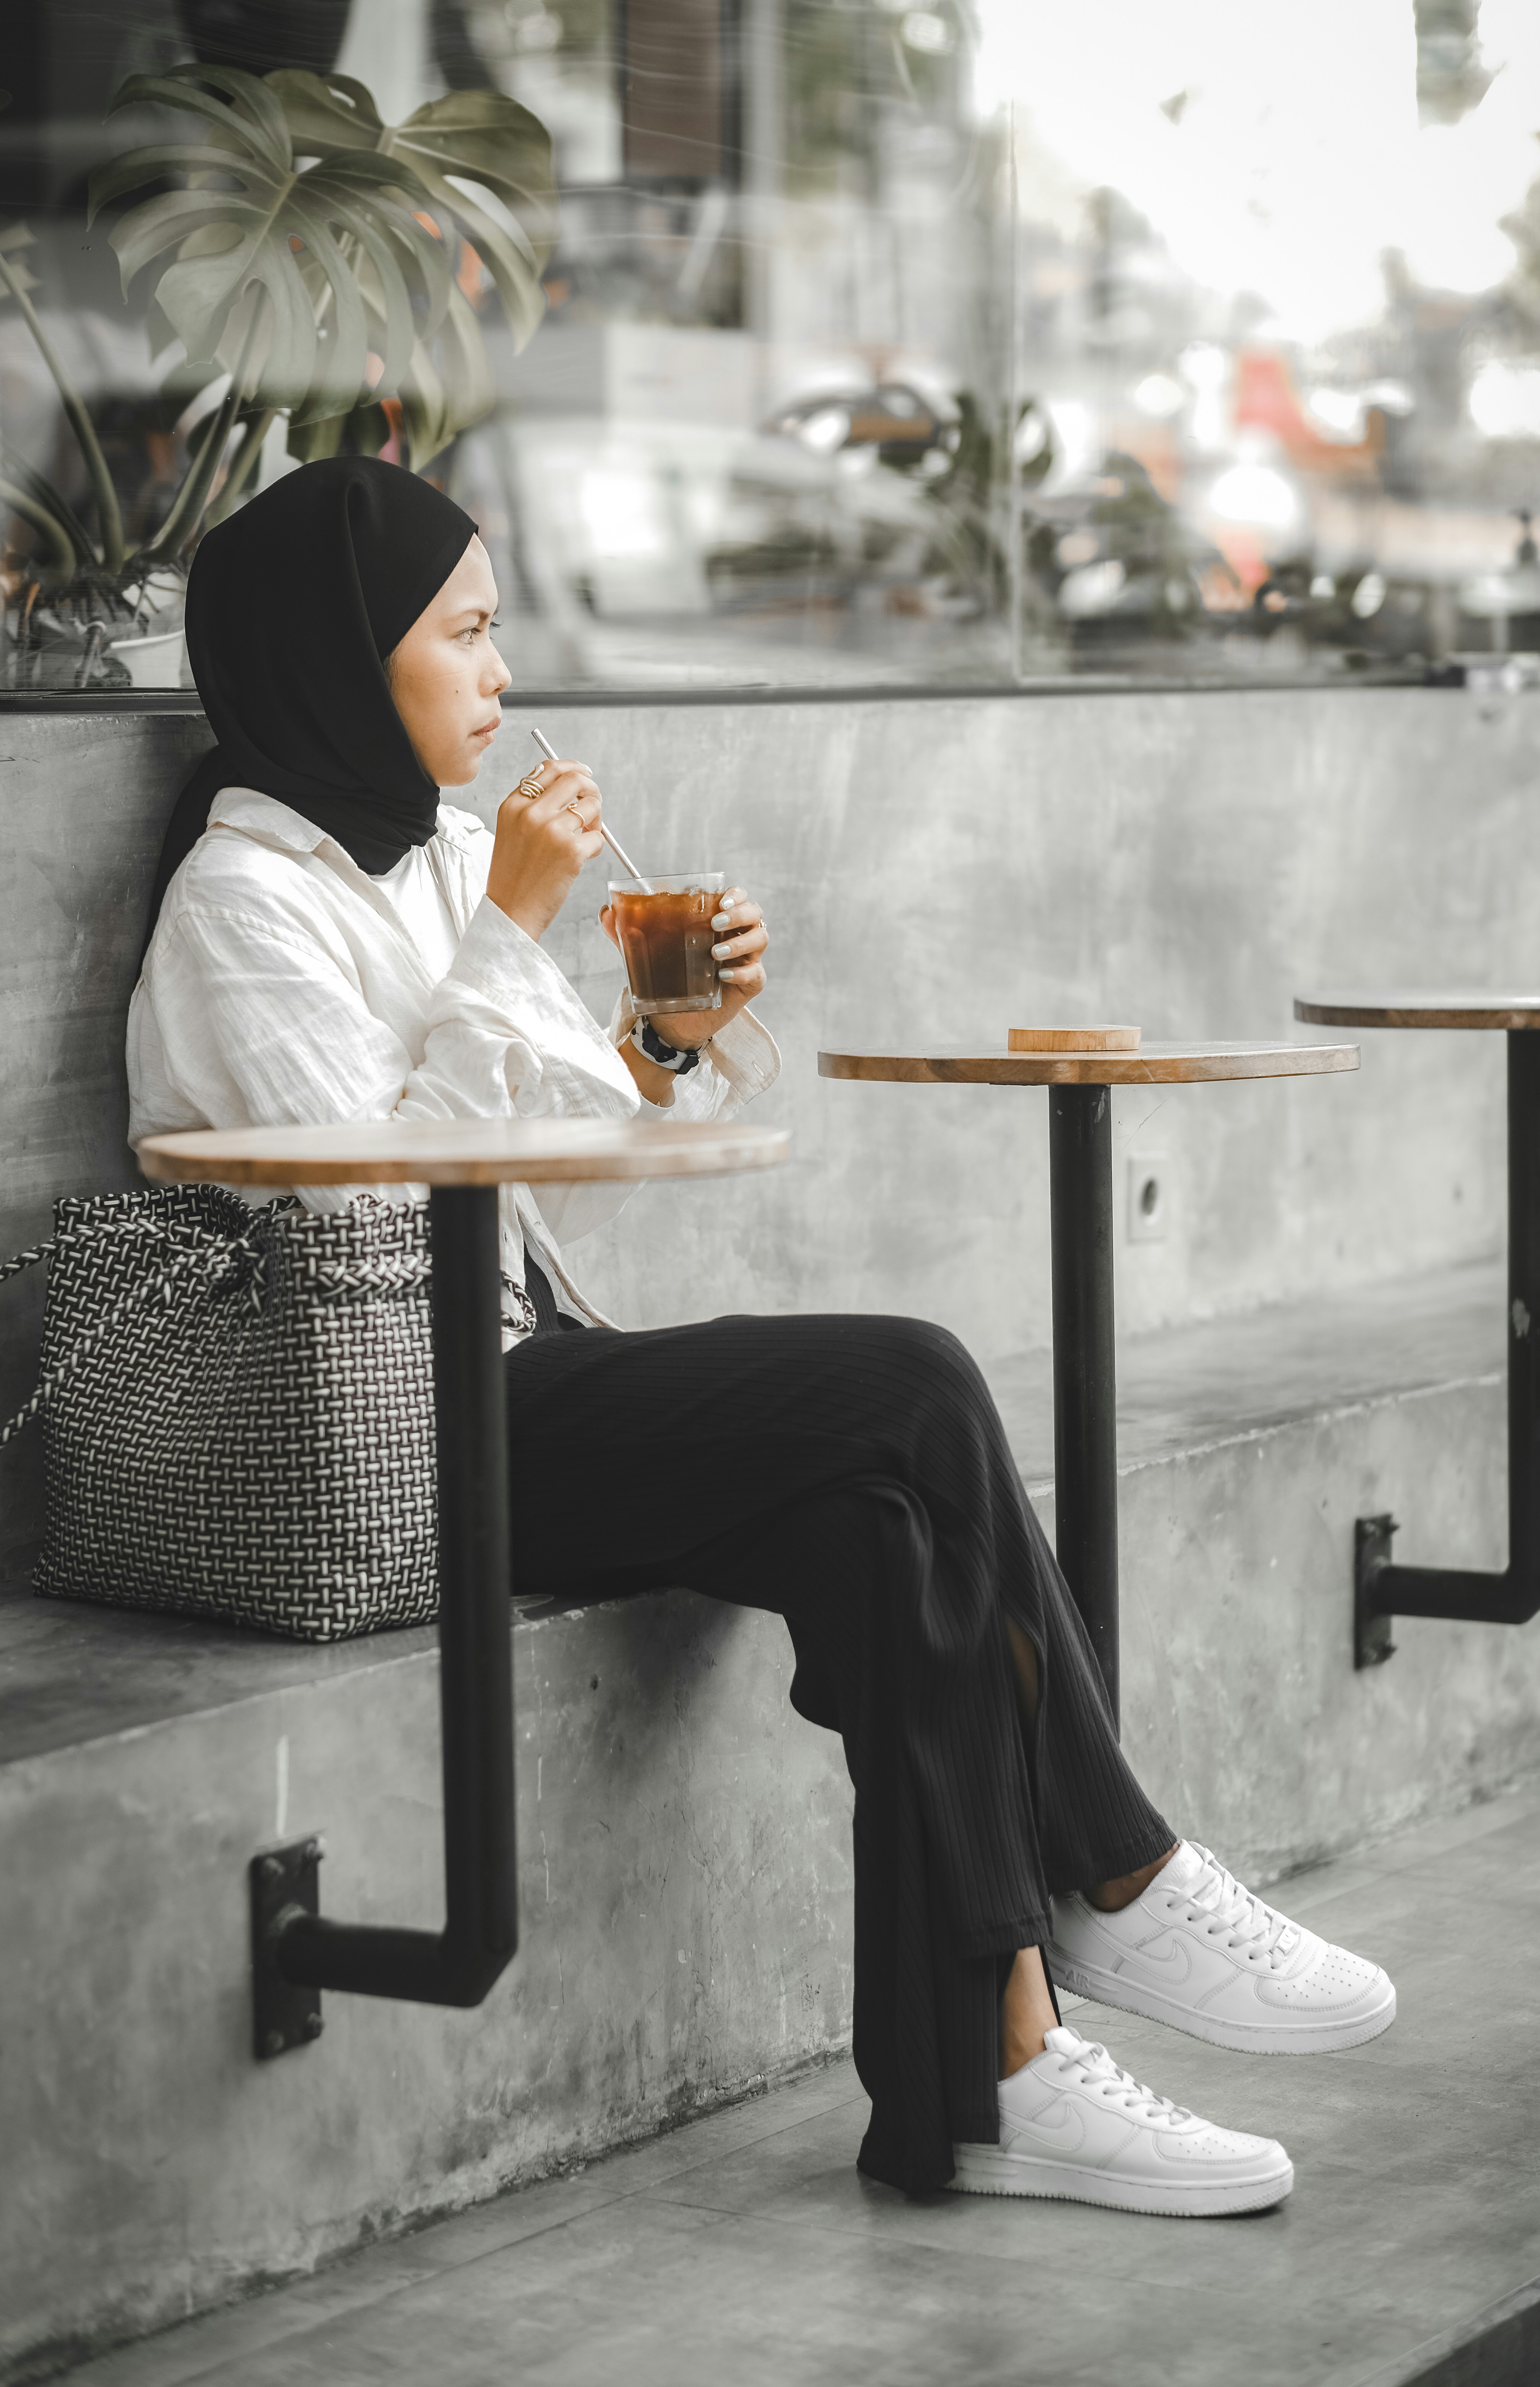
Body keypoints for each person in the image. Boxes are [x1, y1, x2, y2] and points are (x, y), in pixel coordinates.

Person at [130, 457, 1395, 2218]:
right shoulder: (238, 908)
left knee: (881, 1532)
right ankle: (1112, 1869)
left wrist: (659, 1035)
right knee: (914, 1376)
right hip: (404, 1428)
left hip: (517, 1376)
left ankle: (988, 2087)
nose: (502, 676)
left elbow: (520, 1163)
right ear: (344, 658)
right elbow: (366, 1212)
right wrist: (511, 924)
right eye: (468, 635)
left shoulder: (406, 864)